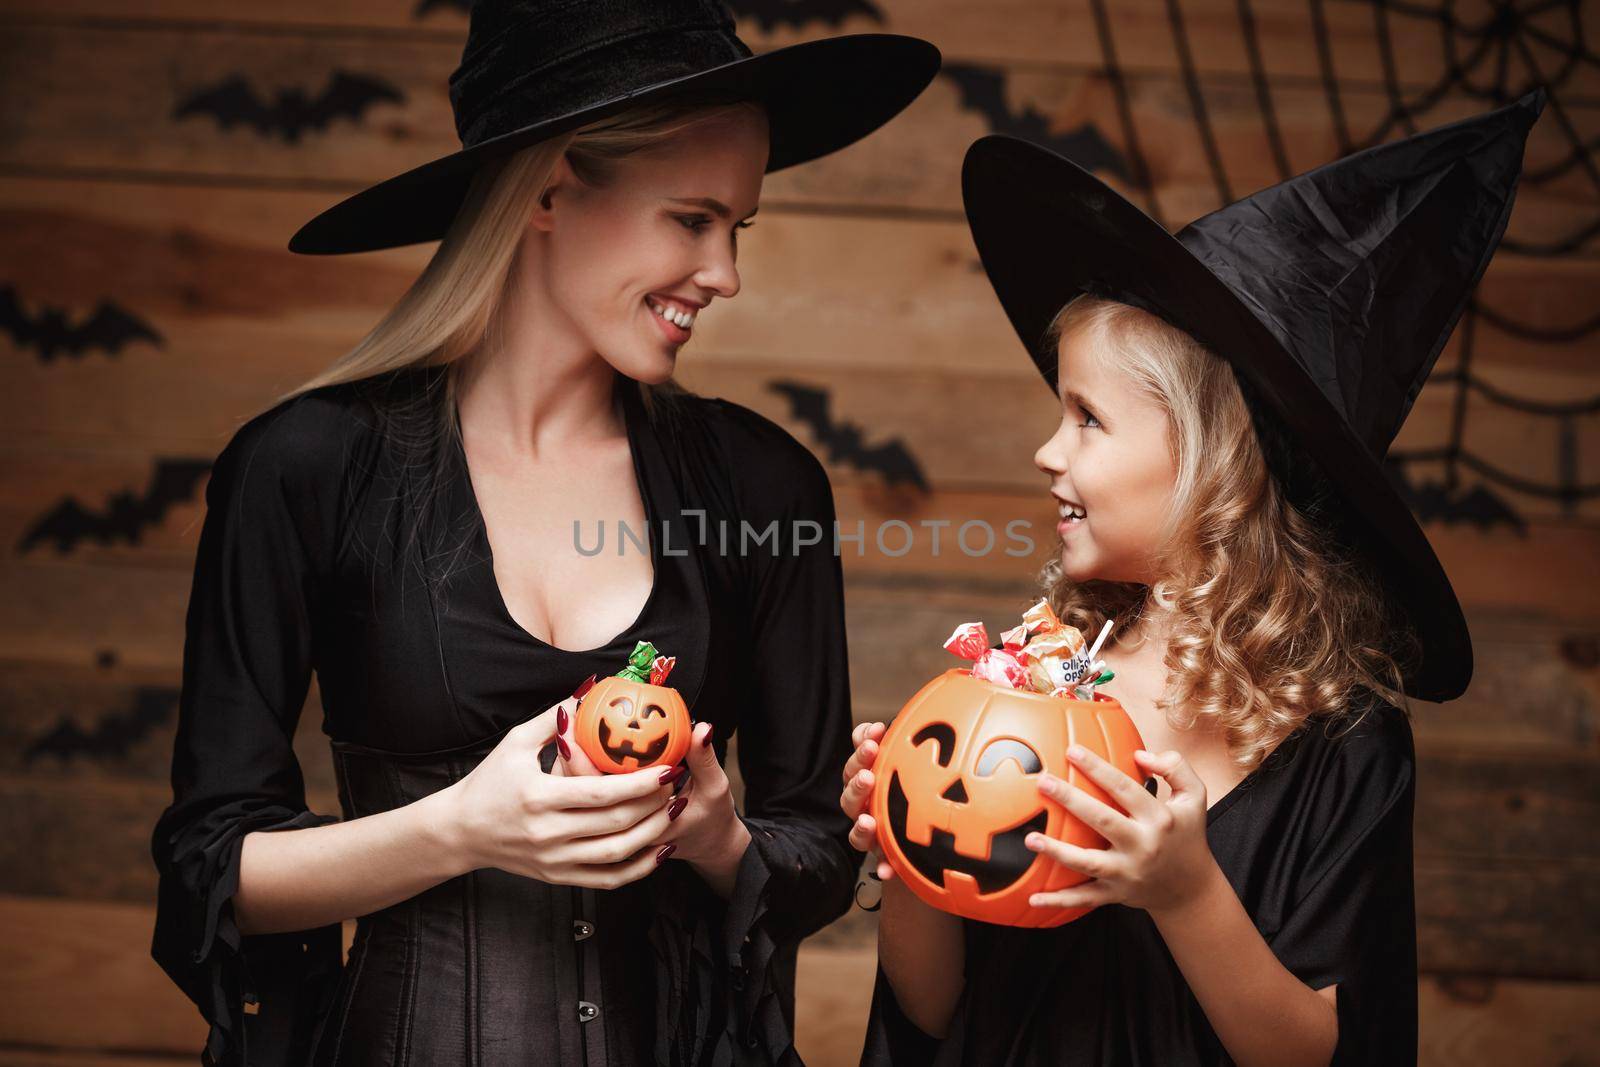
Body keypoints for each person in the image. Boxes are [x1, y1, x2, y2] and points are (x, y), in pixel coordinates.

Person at [148, 2, 940, 1064]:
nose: (725, 274)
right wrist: (459, 826)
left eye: (736, 228)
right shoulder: (306, 468)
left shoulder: (763, 487)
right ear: (555, 187)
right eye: (692, 219)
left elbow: (811, 857)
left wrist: (715, 837)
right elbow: (209, 865)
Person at [840, 91, 1544, 1066]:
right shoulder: (1036, 672)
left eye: (1086, 417)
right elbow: (933, 1014)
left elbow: (1327, 1052)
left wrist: (1183, 890)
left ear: (1216, 466)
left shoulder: (1343, 744)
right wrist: (910, 861)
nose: (1048, 450)